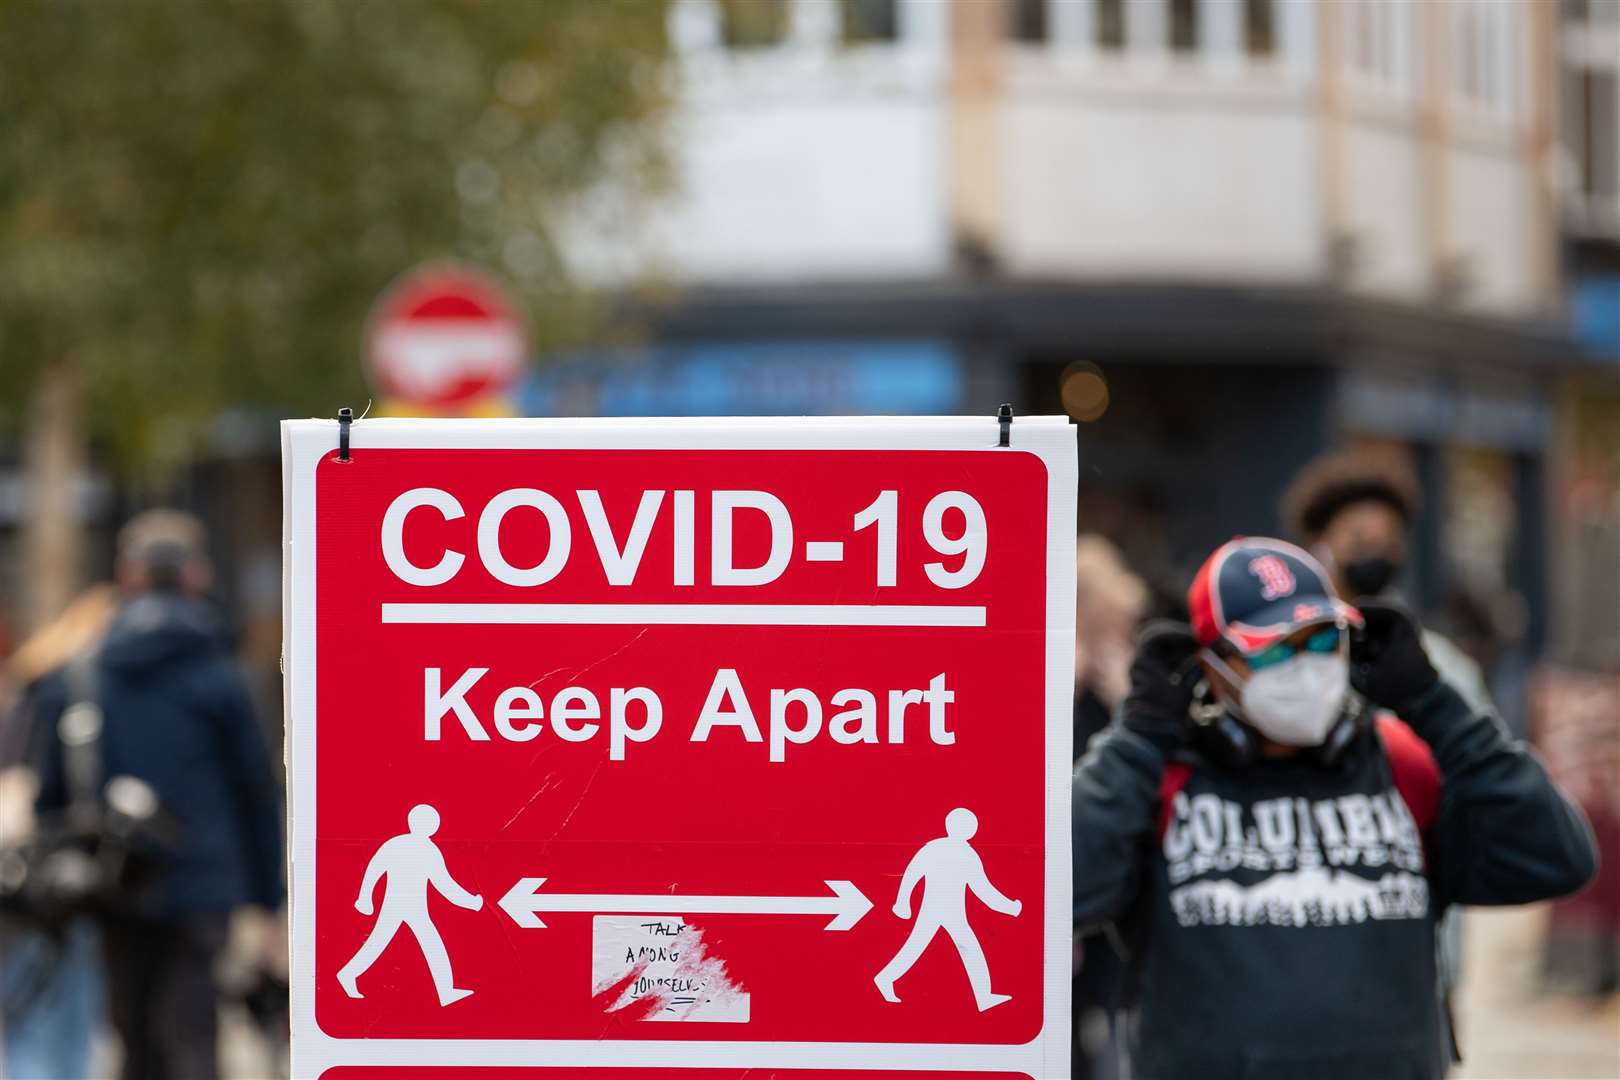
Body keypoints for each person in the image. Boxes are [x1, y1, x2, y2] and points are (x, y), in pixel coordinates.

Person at [1072, 536, 1597, 1080]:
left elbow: (1558, 856)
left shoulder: (1402, 765)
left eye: (1323, 639)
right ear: (1214, 668)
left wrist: (1434, 704)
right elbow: (1055, 897)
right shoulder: (1164, 781)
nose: (1304, 665)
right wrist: (1140, 735)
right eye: (1274, 647)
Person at [28, 511, 284, 1080]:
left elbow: (49, 793)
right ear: (196, 575)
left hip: (115, 882)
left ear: (127, 574)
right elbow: (256, 789)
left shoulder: (78, 671)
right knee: (194, 1031)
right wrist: (270, 899)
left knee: (132, 1032)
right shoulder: (223, 674)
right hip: (205, 884)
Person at [1282, 447, 1493, 713]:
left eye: (1388, 542)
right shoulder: (1288, 655)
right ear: (1319, 544)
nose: (1376, 554)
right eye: (1360, 542)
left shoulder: (1438, 663)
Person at [875, 807, 1021, 1012]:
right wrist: (1011, 907)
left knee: (942, 946)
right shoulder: (962, 853)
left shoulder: (937, 848)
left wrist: (903, 902)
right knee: (944, 946)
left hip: (948, 911)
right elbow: (983, 890)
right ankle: (884, 978)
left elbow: (912, 874)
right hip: (940, 910)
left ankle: (984, 996)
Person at [337, 803, 483, 1006]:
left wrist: (365, 896)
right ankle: (347, 974)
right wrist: (472, 902)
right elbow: (445, 885)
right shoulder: (426, 850)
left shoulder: (398, 844)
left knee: (393, 942)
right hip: (402, 906)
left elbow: (375, 869)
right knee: (389, 942)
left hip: (409, 907)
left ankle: (446, 991)